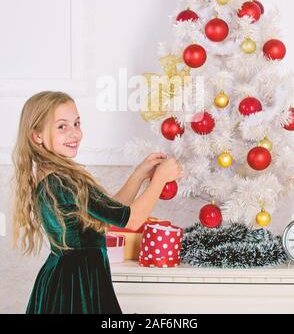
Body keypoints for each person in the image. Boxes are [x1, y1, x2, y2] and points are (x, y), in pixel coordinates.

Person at [12, 91, 182, 314]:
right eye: (62, 126)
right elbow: (132, 220)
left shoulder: (56, 176)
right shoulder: (64, 182)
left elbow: (110, 212)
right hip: (76, 282)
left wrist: (139, 175)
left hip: (70, 275)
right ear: (37, 136)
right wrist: (160, 180)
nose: (75, 133)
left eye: (76, 123)